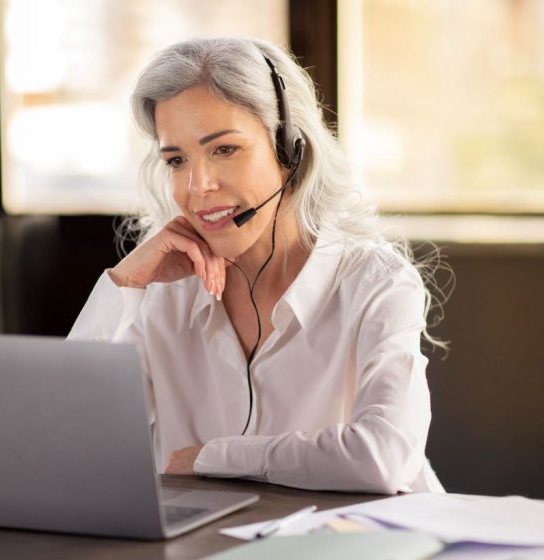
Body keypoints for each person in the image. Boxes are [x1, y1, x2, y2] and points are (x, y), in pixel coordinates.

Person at [68, 37, 446, 494]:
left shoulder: (375, 283)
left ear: (290, 150)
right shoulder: (162, 291)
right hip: (209, 558)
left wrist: (213, 457)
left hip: (356, 554)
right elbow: (69, 441)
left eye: (224, 150)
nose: (197, 186)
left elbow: (383, 458)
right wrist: (124, 285)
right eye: (176, 160)